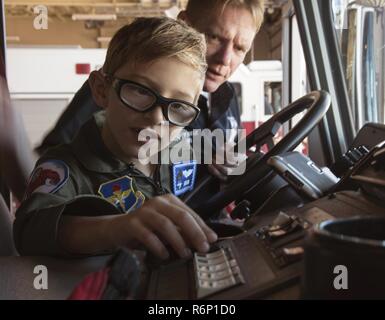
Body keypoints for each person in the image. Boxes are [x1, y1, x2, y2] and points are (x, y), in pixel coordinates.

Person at [14, 17, 217, 259]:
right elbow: (28, 232)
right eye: (140, 90)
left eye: (179, 105)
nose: (156, 118)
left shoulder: (181, 148)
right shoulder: (65, 167)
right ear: (102, 90)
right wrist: (115, 228)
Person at [36, 0, 265, 182]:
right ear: (185, 24)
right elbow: (54, 160)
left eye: (239, 48)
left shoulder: (227, 96)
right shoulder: (125, 86)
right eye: (214, 37)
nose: (225, 59)